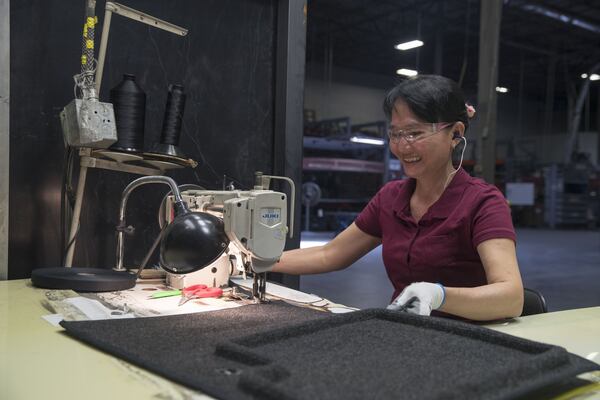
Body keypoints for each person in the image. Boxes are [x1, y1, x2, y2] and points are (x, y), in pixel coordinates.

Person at [272, 75, 524, 321]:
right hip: (406, 333)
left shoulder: (483, 203)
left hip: (471, 342)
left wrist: (439, 296)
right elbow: (331, 254)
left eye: (415, 133)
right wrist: (254, 260)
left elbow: (510, 297)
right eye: (395, 134)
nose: (403, 146)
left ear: (456, 134)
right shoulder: (391, 198)